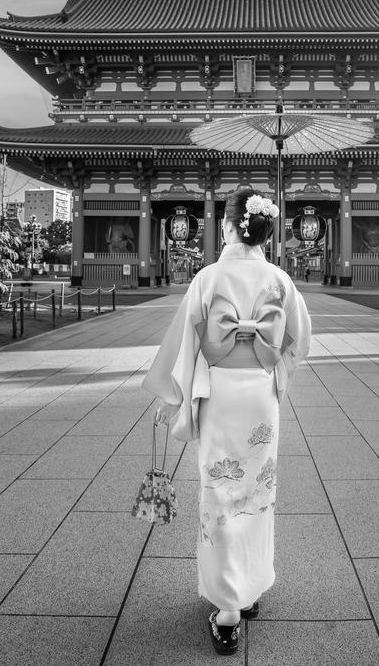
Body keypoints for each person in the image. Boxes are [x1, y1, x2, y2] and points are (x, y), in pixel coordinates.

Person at [142, 188, 311, 655]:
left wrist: (176, 397)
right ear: (261, 231)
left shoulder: (208, 278)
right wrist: (274, 368)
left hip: (218, 395)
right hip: (259, 397)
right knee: (257, 490)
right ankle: (250, 587)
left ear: (228, 227)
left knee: (220, 493)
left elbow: (184, 344)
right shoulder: (279, 280)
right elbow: (300, 338)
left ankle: (229, 609)